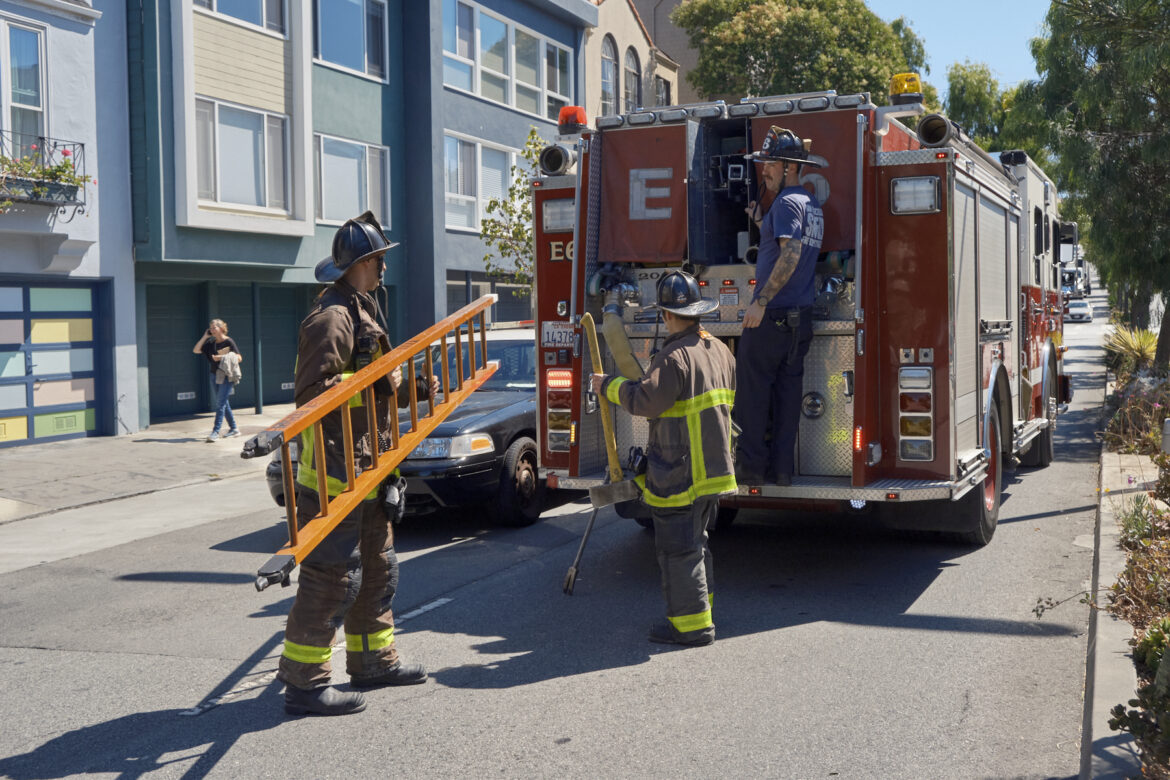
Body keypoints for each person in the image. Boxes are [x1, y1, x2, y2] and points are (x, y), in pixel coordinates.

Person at [279, 211, 437, 717]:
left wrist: (406, 390)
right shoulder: (333, 317)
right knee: (331, 579)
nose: (384, 267)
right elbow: (314, 396)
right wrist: (376, 389)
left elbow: (371, 384)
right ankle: (304, 685)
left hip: (370, 466)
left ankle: (373, 662)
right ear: (359, 263)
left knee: (377, 571)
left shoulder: (361, 306)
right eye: (378, 259)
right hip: (333, 473)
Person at [590, 271, 736, 648]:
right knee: (696, 546)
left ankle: (691, 627)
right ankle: (702, 610)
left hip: (680, 472)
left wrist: (607, 386)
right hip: (713, 471)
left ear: (667, 315)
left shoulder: (673, 357)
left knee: (677, 550)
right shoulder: (719, 350)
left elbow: (645, 402)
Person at [735, 126, 826, 486]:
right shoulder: (809, 204)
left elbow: (790, 253)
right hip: (799, 320)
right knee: (787, 399)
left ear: (789, 165)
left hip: (772, 318)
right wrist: (762, 221)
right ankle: (782, 471)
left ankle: (751, 469)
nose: (764, 171)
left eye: (769, 164)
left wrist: (760, 301)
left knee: (753, 396)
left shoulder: (787, 203)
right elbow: (789, 246)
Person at [192, 319, 242, 442]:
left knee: (220, 404)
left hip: (227, 375)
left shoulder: (229, 341)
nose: (212, 330)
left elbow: (239, 358)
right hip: (214, 375)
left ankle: (215, 432)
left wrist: (222, 357)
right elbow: (196, 350)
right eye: (211, 328)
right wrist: (205, 336)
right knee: (224, 403)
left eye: (214, 327)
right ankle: (234, 429)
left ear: (221, 328)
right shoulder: (211, 343)